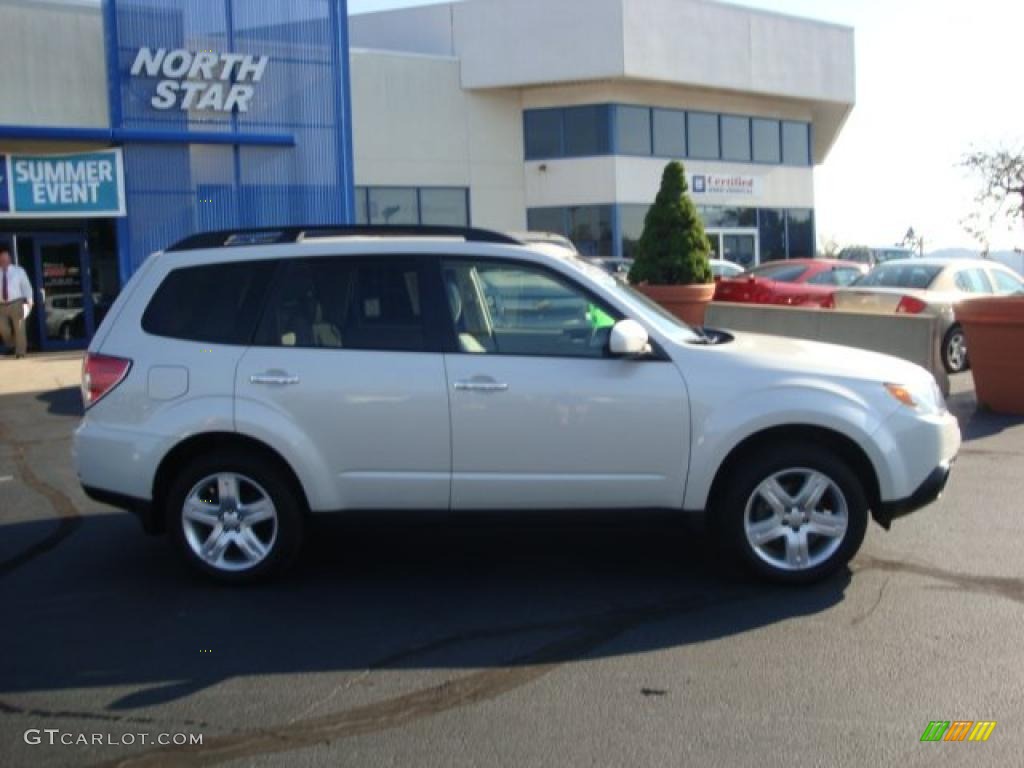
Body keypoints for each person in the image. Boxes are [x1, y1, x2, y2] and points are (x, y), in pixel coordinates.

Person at [0, 245, 34, 358]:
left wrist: (29, 300)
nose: (4, 261)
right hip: (1, 305)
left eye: (6, 259)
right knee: (3, 329)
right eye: (2, 259)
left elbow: (26, 287)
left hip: (16, 302)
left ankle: (20, 352)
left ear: (10, 259)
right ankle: (12, 343)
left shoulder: (19, 271)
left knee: (19, 327)